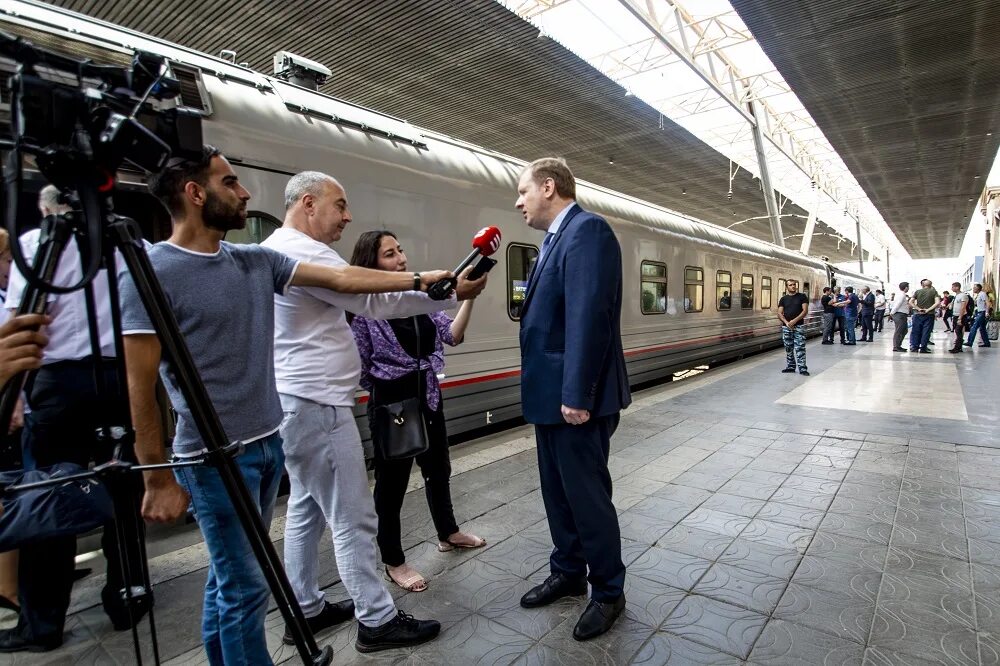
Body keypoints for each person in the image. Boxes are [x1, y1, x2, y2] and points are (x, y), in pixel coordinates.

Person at [118, 146, 453, 665]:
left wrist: (421, 280)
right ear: (195, 192)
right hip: (213, 454)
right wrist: (155, 478)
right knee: (245, 584)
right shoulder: (151, 271)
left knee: (233, 576)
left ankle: (256, 638)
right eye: (230, 182)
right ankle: (346, 627)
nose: (247, 192)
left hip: (268, 437)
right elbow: (139, 384)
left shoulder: (253, 260)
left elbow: (344, 281)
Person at [263, 171, 481, 652]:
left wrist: (443, 293)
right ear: (307, 203)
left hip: (302, 401)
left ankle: (306, 607)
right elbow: (367, 296)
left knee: (305, 510)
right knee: (353, 516)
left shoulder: (287, 248)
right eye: (339, 205)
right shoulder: (301, 250)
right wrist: (428, 281)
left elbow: (376, 302)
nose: (348, 215)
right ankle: (377, 618)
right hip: (319, 402)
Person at [0, 186, 147, 654]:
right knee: (124, 491)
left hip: (57, 383)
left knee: (49, 498)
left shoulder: (33, 247)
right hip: (118, 378)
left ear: (47, 211)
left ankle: (42, 623)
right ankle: (128, 597)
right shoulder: (129, 243)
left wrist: (14, 396)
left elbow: (24, 321)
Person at [513, 158, 630, 641]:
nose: (518, 202)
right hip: (549, 395)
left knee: (587, 497)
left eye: (523, 192)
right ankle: (567, 569)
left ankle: (607, 590)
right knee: (557, 492)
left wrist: (577, 393)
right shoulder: (555, 239)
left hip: (574, 398)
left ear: (548, 186)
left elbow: (589, 316)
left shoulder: (588, 231)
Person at [351, 230, 487, 596]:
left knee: (438, 468)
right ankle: (394, 561)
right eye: (390, 254)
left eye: (401, 250)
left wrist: (469, 298)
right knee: (392, 485)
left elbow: (452, 336)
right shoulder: (366, 310)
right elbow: (362, 366)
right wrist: (390, 385)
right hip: (392, 400)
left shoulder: (418, 301)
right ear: (372, 264)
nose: (401, 258)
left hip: (427, 394)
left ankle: (448, 532)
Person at [778, 280, 810, 376]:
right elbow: (779, 313)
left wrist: (794, 321)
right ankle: (791, 366)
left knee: (800, 347)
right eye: (790, 285)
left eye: (794, 285)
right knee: (788, 348)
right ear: (786, 287)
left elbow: (805, 311)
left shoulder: (802, 297)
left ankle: (802, 368)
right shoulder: (783, 299)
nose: (793, 286)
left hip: (798, 326)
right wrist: (787, 323)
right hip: (786, 327)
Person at [908, 279, 939, 353]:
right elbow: (937, 302)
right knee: (926, 332)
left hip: (918, 314)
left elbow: (910, 301)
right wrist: (928, 310)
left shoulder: (917, 291)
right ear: (931, 285)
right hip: (929, 315)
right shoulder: (934, 292)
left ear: (923, 285)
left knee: (916, 331)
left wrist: (918, 309)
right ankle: (923, 348)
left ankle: (914, 347)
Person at [966, 282, 991, 348]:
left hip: (982, 313)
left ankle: (969, 342)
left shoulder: (982, 294)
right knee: (982, 328)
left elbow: (987, 303)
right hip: (979, 312)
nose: (973, 289)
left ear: (978, 288)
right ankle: (986, 343)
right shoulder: (978, 295)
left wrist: (987, 312)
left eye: (974, 288)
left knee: (974, 327)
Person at [889, 282, 911, 352]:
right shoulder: (902, 295)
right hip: (899, 315)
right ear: (906, 287)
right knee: (899, 331)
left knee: (904, 330)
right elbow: (897, 304)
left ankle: (898, 345)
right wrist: (891, 313)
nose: (908, 288)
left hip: (901, 315)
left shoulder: (900, 294)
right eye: (908, 287)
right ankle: (896, 347)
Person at [949, 282, 969, 353]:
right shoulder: (956, 296)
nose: (951, 288)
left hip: (961, 316)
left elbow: (963, 307)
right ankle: (958, 347)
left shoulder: (963, 295)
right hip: (955, 315)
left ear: (957, 287)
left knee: (958, 332)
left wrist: (960, 318)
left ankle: (957, 348)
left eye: (953, 287)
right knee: (957, 331)